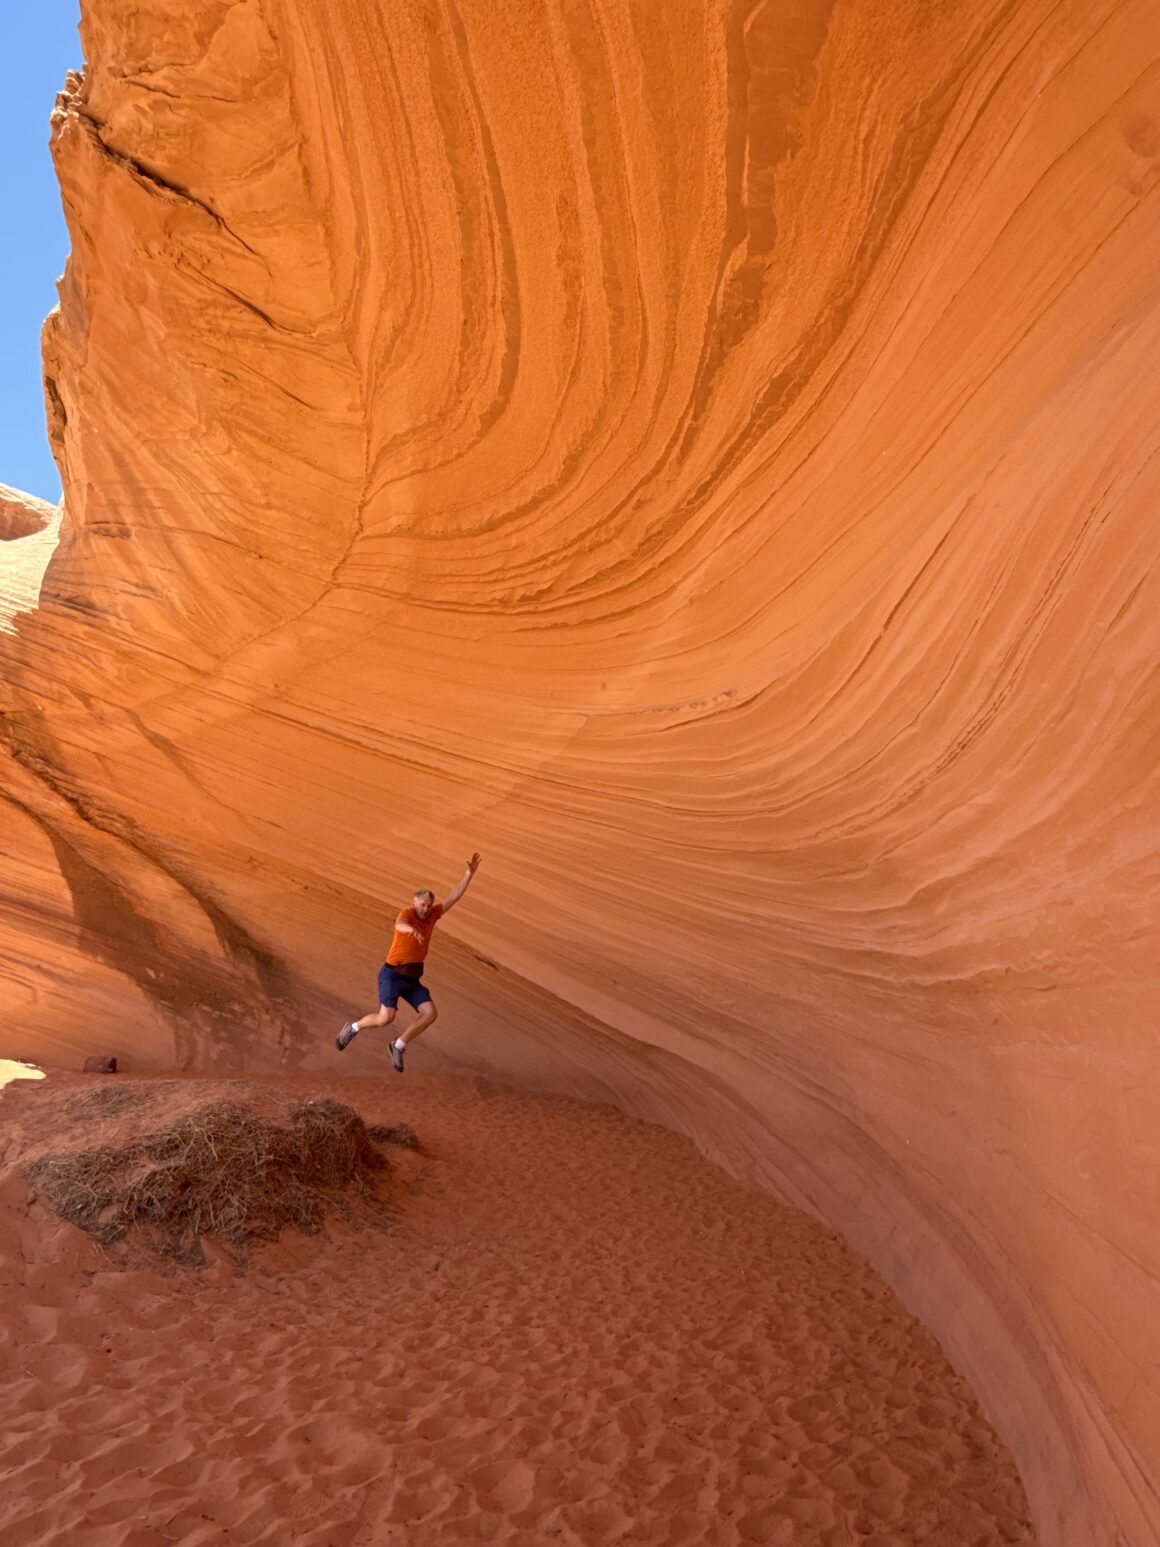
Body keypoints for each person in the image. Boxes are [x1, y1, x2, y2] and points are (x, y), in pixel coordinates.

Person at [336, 853, 481, 1071]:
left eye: (428, 904)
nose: (425, 908)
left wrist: (469, 873)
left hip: (412, 978)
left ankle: (398, 1045)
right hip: (392, 974)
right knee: (386, 1018)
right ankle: (353, 1028)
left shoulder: (433, 914)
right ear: (414, 902)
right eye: (422, 904)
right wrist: (412, 930)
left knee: (430, 1013)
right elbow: (399, 925)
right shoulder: (407, 914)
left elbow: (454, 896)